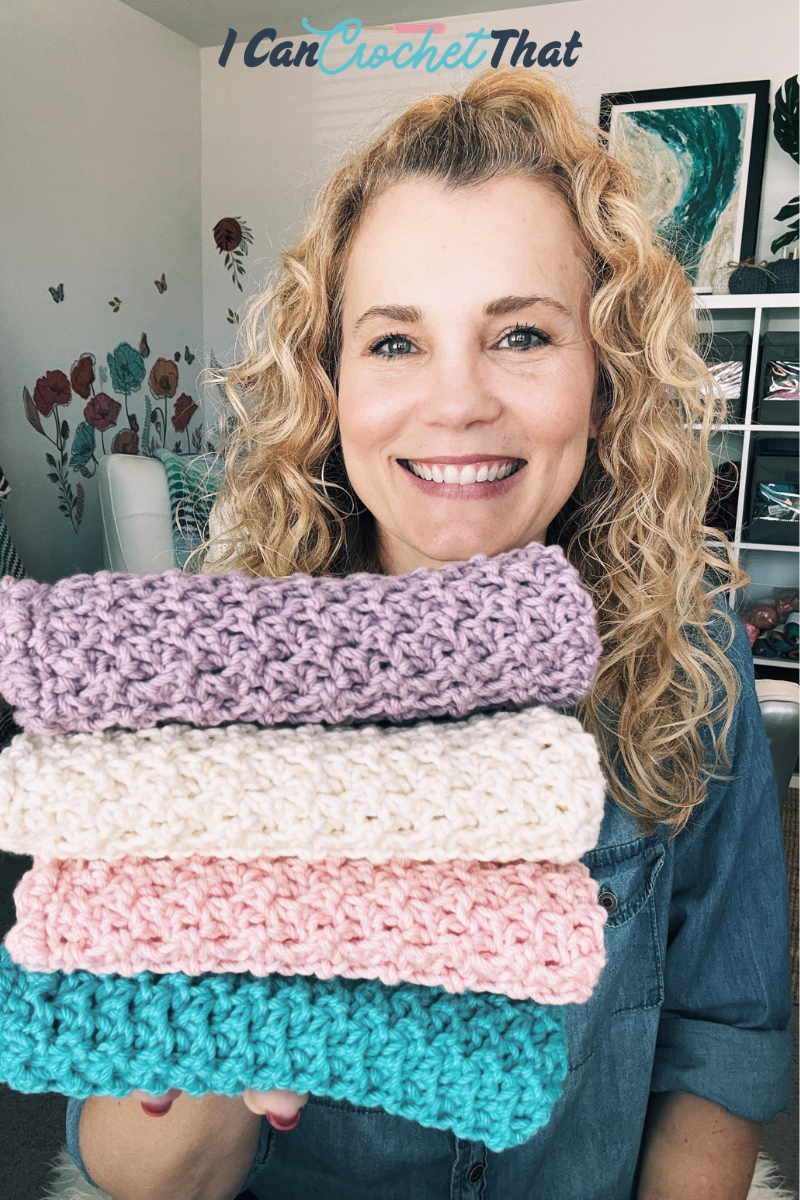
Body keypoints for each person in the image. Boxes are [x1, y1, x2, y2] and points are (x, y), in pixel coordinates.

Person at [71, 69, 792, 1200]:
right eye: (395, 343)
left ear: (603, 375)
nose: (455, 402)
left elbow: (720, 1041)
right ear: (330, 383)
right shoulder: (219, 676)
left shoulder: (692, 645)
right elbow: (138, 1172)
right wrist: (233, 995)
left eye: (519, 332)